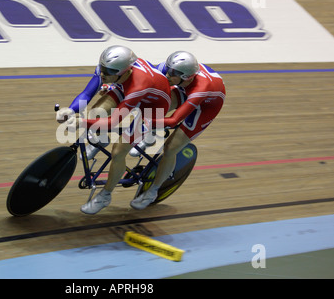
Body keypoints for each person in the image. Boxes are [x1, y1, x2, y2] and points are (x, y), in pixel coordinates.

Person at [58, 45, 171, 214]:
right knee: (96, 113)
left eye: (108, 72)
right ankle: (101, 139)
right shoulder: (111, 70)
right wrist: (72, 110)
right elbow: (87, 94)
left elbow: (113, 122)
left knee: (118, 151)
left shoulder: (138, 84)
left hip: (153, 106)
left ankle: (105, 196)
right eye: (102, 69)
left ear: (126, 72)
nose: (103, 74)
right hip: (124, 87)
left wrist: (81, 122)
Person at [130, 51, 226, 210]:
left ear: (186, 76)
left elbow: (174, 120)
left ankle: (153, 191)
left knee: (170, 148)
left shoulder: (201, 88)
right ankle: (149, 136)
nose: (167, 74)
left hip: (206, 106)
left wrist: (148, 121)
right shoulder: (170, 71)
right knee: (157, 103)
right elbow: (145, 80)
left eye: (172, 73)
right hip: (184, 89)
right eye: (168, 68)